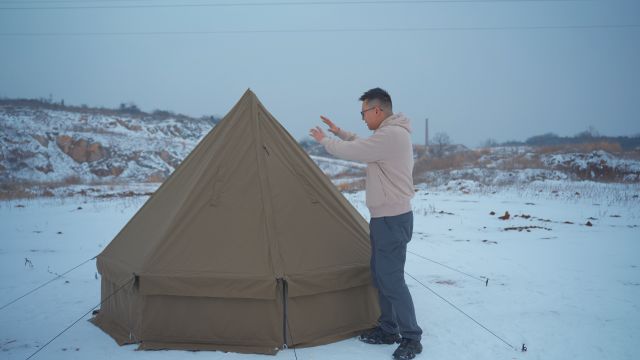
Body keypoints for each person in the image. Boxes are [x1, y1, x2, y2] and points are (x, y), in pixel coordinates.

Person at [309, 88, 422, 360]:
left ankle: (411, 338)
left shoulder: (391, 135)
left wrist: (326, 140)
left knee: (391, 280)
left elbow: (354, 150)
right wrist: (339, 131)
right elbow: (362, 142)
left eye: (363, 113)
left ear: (377, 110)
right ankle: (388, 328)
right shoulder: (389, 134)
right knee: (381, 275)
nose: (362, 118)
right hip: (385, 218)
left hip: (392, 219)